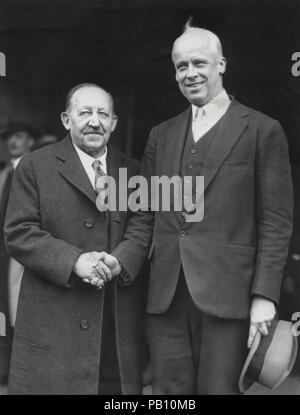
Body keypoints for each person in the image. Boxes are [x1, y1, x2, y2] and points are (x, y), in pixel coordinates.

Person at [101, 23, 294, 394]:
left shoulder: (262, 130)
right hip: (165, 296)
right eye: (181, 66)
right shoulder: (162, 134)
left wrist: (264, 297)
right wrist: (119, 259)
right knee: (170, 396)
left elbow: (276, 223)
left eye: (199, 63)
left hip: (230, 298)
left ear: (221, 64)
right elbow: (146, 214)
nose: (190, 74)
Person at [4, 83, 147, 394]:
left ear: (114, 123)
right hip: (53, 323)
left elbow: (142, 226)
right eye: (84, 113)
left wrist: (119, 260)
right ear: (66, 120)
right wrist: (75, 262)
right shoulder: (35, 166)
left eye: (102, 114)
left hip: (113, 323)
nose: (94, 121)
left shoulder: (133, 171)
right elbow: (19, 231)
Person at [0, 121, 40, 384]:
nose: (13, 142)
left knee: (24, 311)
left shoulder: (37, 170)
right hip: (2, 256)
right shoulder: (4, 174)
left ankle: (25, 372)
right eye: (9, 137)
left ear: (30, 140)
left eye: (20, 136)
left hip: (24, 253)